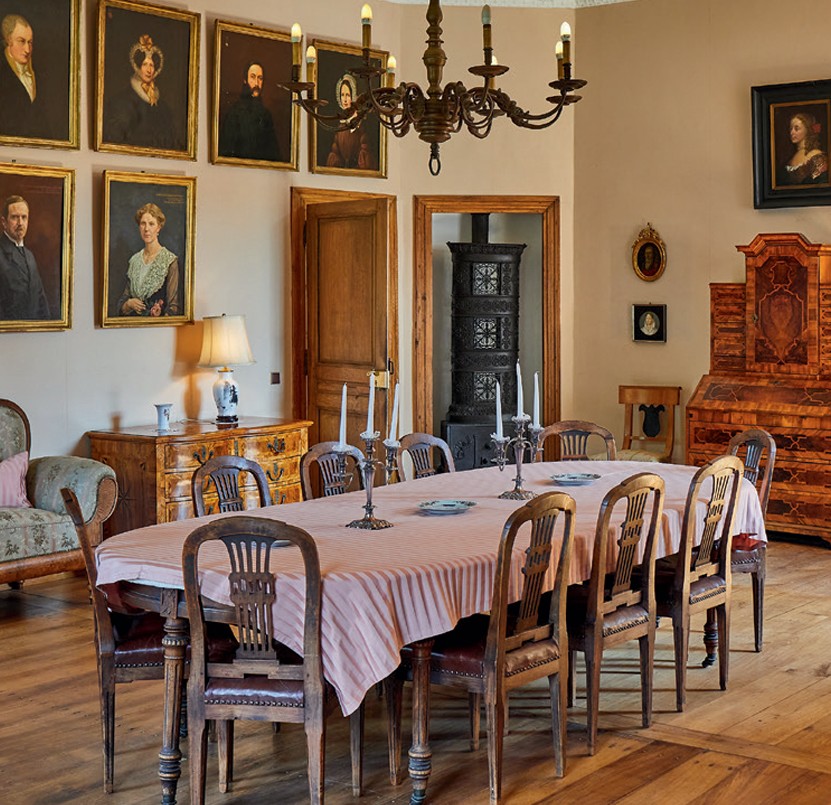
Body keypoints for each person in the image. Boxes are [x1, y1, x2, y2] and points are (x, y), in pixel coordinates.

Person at [104, 34, 182, 151]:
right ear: (137, 66)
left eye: (152, 65)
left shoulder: (163, 107)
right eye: (145, 64)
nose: (149, 70)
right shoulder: (122, 101)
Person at [116, 202, 181, 318]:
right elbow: (122, 304)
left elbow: (173, 307)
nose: (146, 229)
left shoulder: (170, 261)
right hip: (131, 326)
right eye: (143, 224)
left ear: (158, 227)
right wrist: (129, 304)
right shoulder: (134, 260)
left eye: (151, 224)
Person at [218, 61, 282, 162]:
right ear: (245, 80)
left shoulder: (266, 115)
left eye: (260, 78)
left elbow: (274, 156)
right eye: (252, 77)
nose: (256, 83)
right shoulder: (234, 113)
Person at [0, 195, 50, 320]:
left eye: (24, 217)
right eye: (14, 217)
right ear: (4, 222)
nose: (20, 223)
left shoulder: (30, 256)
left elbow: (41, 299)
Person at [0, 14, 49, 139]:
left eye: (30, 42)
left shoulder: (39, 74)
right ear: (8, 41)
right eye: (21, 41)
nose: (27, 49)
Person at [326, 74, 375, 170]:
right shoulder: (341, 127)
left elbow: (365, 157)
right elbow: (335, 153)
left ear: (353, 96)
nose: (344, 99)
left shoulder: (361, 125)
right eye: (342, 95)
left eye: (348, 95)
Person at [778, 112, 828, 186]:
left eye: (796, 128)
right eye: (790, 129)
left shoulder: (818, 157)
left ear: (807, 130)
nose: (791, 132)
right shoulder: (789, 159)